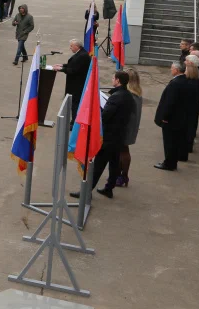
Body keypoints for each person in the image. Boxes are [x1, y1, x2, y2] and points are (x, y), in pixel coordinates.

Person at [75, 71, 134, 200]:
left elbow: (106, 116)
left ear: (118, 81)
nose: (112, 80)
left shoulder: (116, 97)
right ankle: (109, 188)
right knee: (114, 164)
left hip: (109, 136)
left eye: (113, 78)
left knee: (98, 165)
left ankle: (86, 191)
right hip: (119, 135)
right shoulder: (128, 96)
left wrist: (99, 110)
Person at [154, 62, 192, 171]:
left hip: (171, 119)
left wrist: (165, 117)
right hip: (179, 118)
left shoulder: (175, 83)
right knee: (174, 142)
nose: (171, 70)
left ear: (176, 70)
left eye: (172, 69)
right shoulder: (184, 80)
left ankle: (169, 163)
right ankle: (171, 162)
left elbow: (170, 102)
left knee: (169, 142)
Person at [118, 67, 143, 188]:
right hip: (130, 126)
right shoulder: (137, 92)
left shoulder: (130, 95)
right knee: (122, 150)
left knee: (123, 151)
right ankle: (120, 174)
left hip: (125, 126)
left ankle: (123, 175)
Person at [53, 38, 89, 120]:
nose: (70, 48)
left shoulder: (82, 56)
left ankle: (74, 122)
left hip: (77, 85)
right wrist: (62, 65)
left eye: (71, 46)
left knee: (75, 104)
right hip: (75, 84)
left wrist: (61, 69)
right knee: (73, 104)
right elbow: (73, 65)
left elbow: (73, 70)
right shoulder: (80, 53)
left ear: (77, 46)